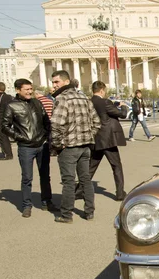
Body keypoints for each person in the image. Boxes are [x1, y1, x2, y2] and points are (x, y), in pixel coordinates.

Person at [50, 70, 101, 223]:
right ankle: (89, 211)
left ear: (66, 82)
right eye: (53, 82)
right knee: (85, 180)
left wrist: (58, 145)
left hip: (69, 147)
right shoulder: (84, 97)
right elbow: (97, 122)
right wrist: (88, 136)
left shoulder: (62, 99)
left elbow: (56, 124)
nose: (54, 85)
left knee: (69, 181)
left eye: (56, 82)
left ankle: (66, 214)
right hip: (85, 146)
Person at [1, 78, 54, 217]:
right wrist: (21, 137)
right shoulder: (11, 106)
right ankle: (26, 205)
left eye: (31, 89)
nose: (30, 92)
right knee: (27, 178)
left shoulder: (37, 102)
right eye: (27, 89)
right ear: (18, 90)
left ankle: (46, 201)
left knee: (45, 175)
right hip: (26, 147)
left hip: (42, 145)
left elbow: (46, 120)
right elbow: (4, 127)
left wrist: (46, 135)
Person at [79, 80, 127, 201]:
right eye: (104, 91)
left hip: (96, 138)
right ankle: (120, 193)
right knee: (116, 165)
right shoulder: (105, 102)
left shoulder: (88, 102)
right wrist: (123, 106)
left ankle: (80, 191)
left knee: (91, 166)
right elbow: (121, 114)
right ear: (101, 90)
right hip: (108, 139)